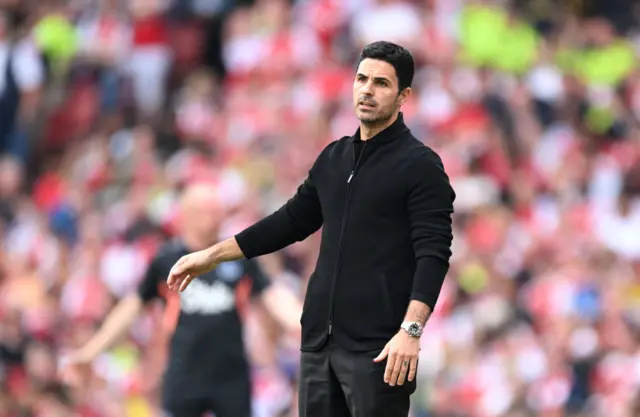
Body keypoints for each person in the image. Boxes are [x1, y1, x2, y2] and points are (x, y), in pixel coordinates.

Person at [167, 41, 456, 417]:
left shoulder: (420, 165)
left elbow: (434, 253)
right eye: (361, 79)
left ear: (404, 96)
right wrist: (212, 255)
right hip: (319, 344)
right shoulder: (334, 157)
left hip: (380, 348)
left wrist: (412, 331)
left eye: (381, 83)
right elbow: (290, 222)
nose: (367, 90)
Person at [59, 182, 302, 417]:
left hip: (231, 375)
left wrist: (302, 322)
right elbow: (131, 307)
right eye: (209, 211)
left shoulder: (237, 257)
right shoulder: (167, 260)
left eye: (219, 211)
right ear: (188, 215)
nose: (218, 218)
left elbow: (273, 295)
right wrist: (90, 351)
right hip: (184, 374)